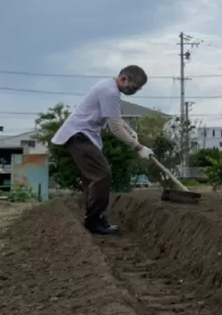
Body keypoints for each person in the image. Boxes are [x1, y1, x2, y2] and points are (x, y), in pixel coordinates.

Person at [51, 65, 153, 234]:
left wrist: (130, 131)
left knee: (92, 178)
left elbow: (116, 119)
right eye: (134, 87)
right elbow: (115, 128)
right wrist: (138, 147)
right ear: (123, 79)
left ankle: (93, 218)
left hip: (82, 135)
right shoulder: (110, 92)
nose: (135, 91)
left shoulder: (109, 88)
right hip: (79, 135)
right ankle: (94, 220)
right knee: (102, 174)